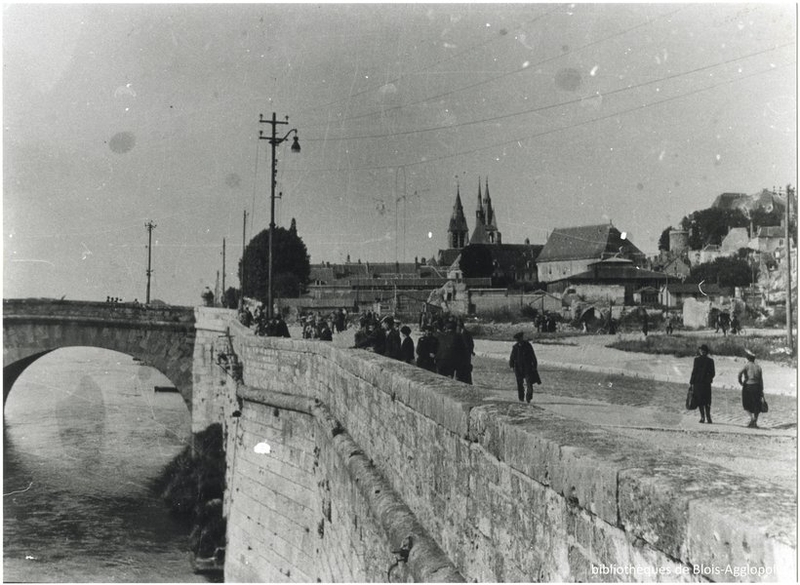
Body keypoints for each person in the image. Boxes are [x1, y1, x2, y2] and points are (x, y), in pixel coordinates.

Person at [509, 331, 541, 403]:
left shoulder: (528, 345)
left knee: (529, 383)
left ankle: (528, 397)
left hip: (527, 367)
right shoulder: (515, 347)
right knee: (520, 384)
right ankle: (521, 398)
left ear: (521, 338)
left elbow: (533, 356)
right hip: (518, 368)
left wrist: (534, 365)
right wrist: (511, 365)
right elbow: (512, 357)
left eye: (519, 339)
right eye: (517, 340)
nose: (518, 341)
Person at [738, 349, 764, 428]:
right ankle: (754, 422)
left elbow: (739, 373)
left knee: (746, 405)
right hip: (757, 387)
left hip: (748, 386)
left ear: (747, 359)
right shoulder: (758, 367)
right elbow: (761, 380)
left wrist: (740, 382)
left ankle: (752, 419)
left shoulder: (747, 365)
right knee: (756, 405)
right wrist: (761, 390)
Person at [689, 344, 715, 424]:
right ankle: (708, 417)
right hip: (706, 384)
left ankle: (702, 417)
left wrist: (691, 382)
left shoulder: (696, 360)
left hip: (698, 383)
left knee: (700, 400)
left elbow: (694, 372)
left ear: (701, 351)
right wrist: (708, 378)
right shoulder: (710, 361)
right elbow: (713, 373)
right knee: (707, 400)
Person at [456, 320, 474, 384]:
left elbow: (470, 343)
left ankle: (466, 381)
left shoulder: (463, 334)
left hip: (465, 354)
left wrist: (470, 351)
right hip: (464, 354)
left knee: (465, 368)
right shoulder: (463, 333)